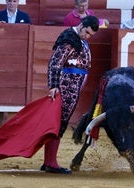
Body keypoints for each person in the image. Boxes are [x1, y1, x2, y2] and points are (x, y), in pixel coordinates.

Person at [40, 15, 100, 174]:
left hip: (72, 87)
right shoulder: (69, 39)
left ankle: (48, 161)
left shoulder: (79, 39)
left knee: (59, 122)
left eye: (90, 35)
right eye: (86, 32)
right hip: (65, 87)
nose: (87, 36)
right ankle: (51, 163)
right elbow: (55, 63)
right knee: (59, 123)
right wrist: (53, 85)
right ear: (81, 24)